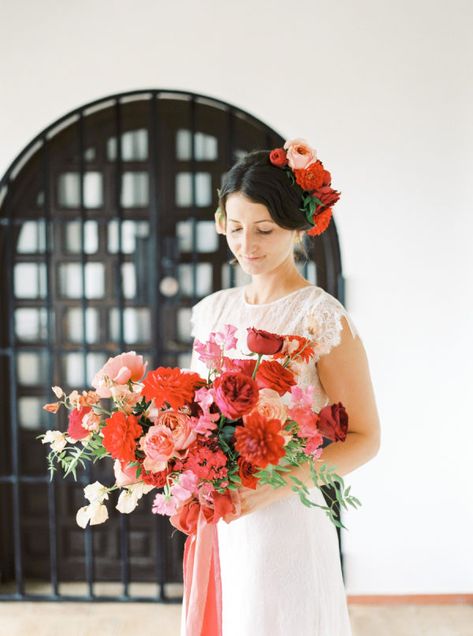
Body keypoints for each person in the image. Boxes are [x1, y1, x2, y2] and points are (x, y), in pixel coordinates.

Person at [184, 139, 381, 635]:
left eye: (264, 230)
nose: (247, 245)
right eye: (234, 229)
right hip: (224, 520)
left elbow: (365, 438)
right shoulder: (211, 311)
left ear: (297, 226)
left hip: (288, 519)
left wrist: (275, 485)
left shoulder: (320, 316)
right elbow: (196, 416)